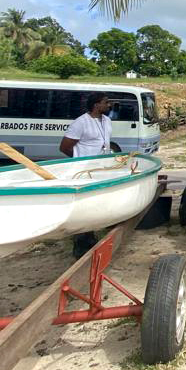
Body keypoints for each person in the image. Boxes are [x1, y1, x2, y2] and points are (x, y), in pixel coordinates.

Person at [60, 92, 114, 257]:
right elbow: (64, 147)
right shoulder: (81, 122)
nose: (109, 105)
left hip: (102, 170)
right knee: (85, 205)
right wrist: (81, 161)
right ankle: (81, 242)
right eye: (106, 102)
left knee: (98, 202)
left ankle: (92, 235)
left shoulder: (107, 121)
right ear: (96, 105)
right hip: (84, 171)